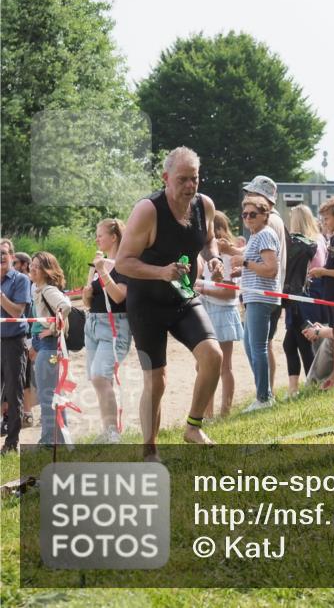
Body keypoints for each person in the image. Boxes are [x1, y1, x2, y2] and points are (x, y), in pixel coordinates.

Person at [116, 147, 224, 460]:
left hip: (182, 296)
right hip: (146, 303)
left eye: (195, 178)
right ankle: (149, 449)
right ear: (166, 178)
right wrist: (161, 272)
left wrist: (213, 257)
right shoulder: (148, 210)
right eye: (183, 179)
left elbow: (209, 239)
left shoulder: (205, 205)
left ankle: (193, 426)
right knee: (157, 379)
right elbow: (122, 262)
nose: (191, 186)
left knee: (213, 356)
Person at [81, 219, 132, 442]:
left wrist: (102, 271)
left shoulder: (124, 264)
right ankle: (108, 430)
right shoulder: (97, 263)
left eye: (100, 234)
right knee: (99, 379)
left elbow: (119, 296)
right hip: (92, 323)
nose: (96, 239)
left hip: (115, 325)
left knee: (100, 375)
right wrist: (88, 288)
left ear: (114, 237)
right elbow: (87, 298)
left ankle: (112, 433)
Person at [194, 212, 242, 418]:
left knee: (224, 366)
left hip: (222, 312)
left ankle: (225, 412)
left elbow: (230, 292)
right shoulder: (203, 254)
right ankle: (207, 413)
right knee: (202, 365)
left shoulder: (228, 255)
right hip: (205, 310)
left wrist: (203, 289)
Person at [236, 194, 281, 410]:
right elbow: (258, 265)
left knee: (258, 347)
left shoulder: (264, 234)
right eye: (244, 214)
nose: (248, 218)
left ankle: (264, 397)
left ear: (265, 215)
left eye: (253, 214)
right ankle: (264, 394)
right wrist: (242, 267)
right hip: (256, 296)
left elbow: (271, 270)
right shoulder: (257, 235)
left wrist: (245, 262)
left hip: (261, 296)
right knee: (251, 346)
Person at [304, 197, 334, 388]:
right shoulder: (333, 239)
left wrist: (322, 271)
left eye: (327, 219)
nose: (325, 223)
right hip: (331, 294)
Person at [28, 252, 72, 446]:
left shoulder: (47, 290)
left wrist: (52, 329)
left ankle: (49, 441)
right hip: (42, 345)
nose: (32, 268)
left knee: (47, 396)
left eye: (37, 266)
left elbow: (65, 306)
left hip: (50, 345)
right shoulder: (38, 289)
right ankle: (59, 438)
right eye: (31, 265)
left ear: (46, 270)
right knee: (53, 394)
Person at [281, 204, 324, 397]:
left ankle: (310, 384)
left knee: (303, 341)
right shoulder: (318, 239)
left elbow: (314, 268)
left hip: (303, 296)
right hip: (309, 295)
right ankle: (295, 388)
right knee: (290, 343)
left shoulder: (304, 244)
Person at [1, 239, 32, 455]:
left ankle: (11, 443)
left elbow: (16, 313)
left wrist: (1, 296)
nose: (1, 258)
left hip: (13, 343)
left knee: (14, 394)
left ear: (12, 256)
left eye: (3, 253)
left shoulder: (20, 280)